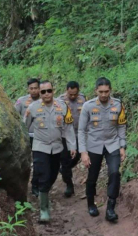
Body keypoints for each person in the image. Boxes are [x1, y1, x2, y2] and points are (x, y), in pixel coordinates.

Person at [24, 81, 77, 223]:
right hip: (40, 146)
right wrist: (24, 146)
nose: (46, 94)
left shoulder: (62, 106)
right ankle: (44, 210)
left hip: (57, 147)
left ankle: (45, 191)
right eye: (43, 92)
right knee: (43, 174)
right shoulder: (32, 108)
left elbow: (68, 128)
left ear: (53, 91)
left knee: (53, 174)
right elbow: (25, 127)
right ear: (40, 94)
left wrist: (72, 146)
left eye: (49, 91)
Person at [78, 77, 127, 223]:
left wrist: (122, 146)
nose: (104, 95)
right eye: (101, 92)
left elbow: (121, 126)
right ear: (96, 91)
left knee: (114, 173)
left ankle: (110, 208)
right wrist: (83, 152)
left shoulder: (117, 104)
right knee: (92, 176)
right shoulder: (88, 106)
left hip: (113, 144)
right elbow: (81, 130)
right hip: (94, 145)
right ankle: (91, 203)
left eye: (106, 91)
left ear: (110, 90)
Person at [57, 81, 87, 198]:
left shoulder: (83, 99)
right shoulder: (59, 101)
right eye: (71, 94)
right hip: (64, 135)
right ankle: (69, 185)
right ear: (67, 90)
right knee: (65, 159)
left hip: (79, 134)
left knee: (77, 156)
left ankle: (65, 170)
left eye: (75, 94)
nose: (73, 96)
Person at [14, 78, 40, 145]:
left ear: (39, 88)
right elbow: (14, 115)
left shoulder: (44, 101)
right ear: (28, 89)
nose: (33, 90)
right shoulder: (21, 101)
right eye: (31, 88)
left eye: (35, 88)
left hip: (41, 137)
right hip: (26, 136)